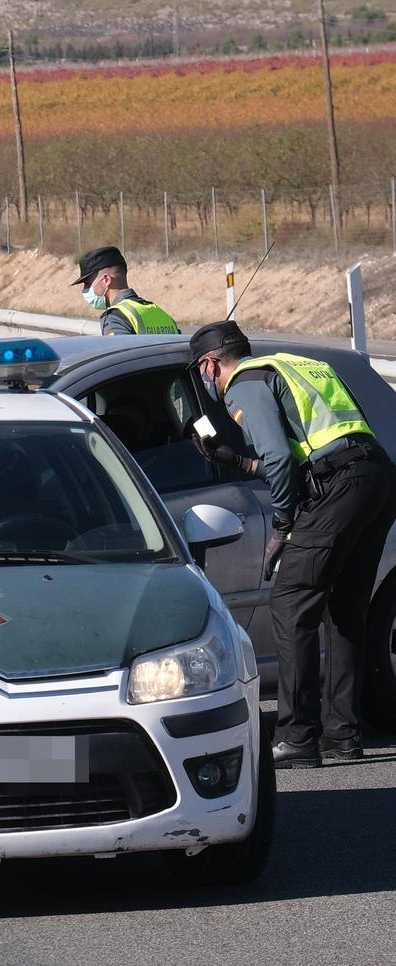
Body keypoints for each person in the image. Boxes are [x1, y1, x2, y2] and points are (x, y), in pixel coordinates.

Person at [190, 320, 396, 766]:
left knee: (290, 601)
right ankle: (342, 735)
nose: (208, 382)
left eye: (205, 373)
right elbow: (304, 455)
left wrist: (282, 525)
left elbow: (282, 460)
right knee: (343, 609)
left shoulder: (245, 382)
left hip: (341, 485)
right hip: (375, 477)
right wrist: (236, 460)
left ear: (210, 364)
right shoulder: (299, 364)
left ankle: (298, 736)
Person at [75, 245, 179, 335]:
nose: (85, 289)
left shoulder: (116, 318)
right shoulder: (160, 313)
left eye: (88, 283)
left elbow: (119, 357)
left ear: (106, 280)